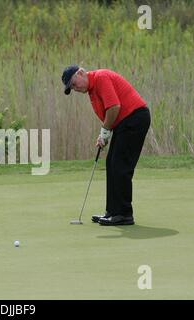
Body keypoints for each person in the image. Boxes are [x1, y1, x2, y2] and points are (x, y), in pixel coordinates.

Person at [62, 65, 150, 226]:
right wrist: (105, 135)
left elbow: (114, 107)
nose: (75, 89)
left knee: (120, 165)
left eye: (74, 84)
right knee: (111, 163)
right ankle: (112, 212)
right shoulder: (91, 91)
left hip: (135, 118)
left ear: (81, 73)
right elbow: (109, 116)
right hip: (124, 123)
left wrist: (105, 131)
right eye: (72, 88)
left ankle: (124, 214)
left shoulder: (101, 78)